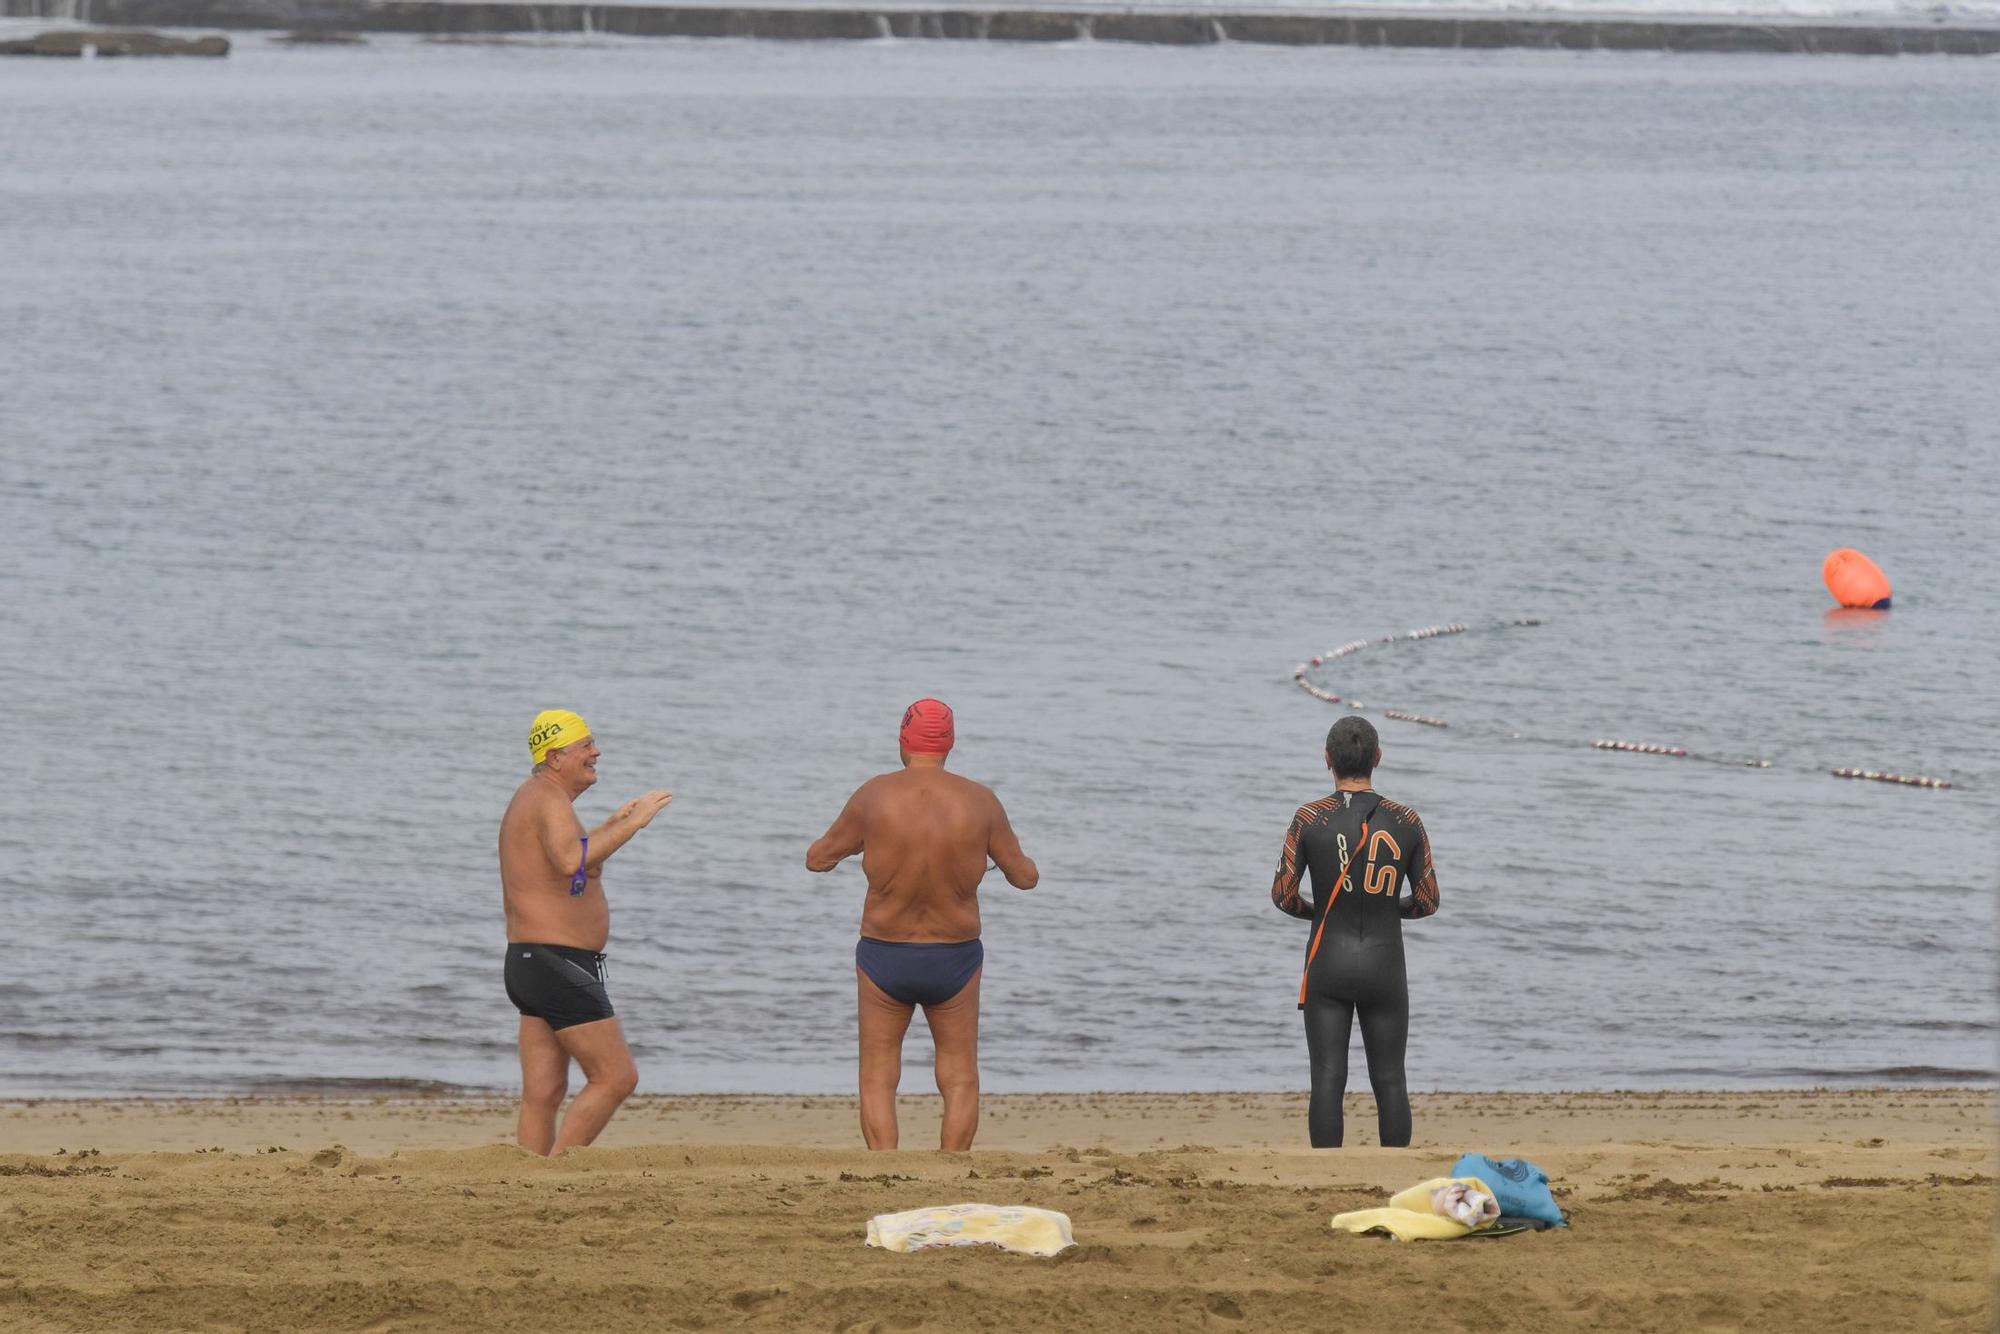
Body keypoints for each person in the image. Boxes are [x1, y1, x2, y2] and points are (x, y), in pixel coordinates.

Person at [806, 698, 1038, 1151]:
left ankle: (885, 1171)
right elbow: (1025, 878)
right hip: (955, 957)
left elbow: (817, 859)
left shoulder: (874, 795)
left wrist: (866, 839)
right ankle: (952, 1170)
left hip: (884, 955)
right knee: (959, 1072)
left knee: (877, 1074)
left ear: (902, 740)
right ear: (949, 743)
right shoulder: (981, 801)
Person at [498, 709, 672, 1155]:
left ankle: (528, 1181)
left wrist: (613, 824)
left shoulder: (536, 798)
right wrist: (634, 824)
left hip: (532, 962)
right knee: (616, 1077)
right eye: (586, 745)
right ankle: (559, 1172)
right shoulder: (546, 799)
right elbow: (572, 862)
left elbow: (573, 871)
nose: (597, 752)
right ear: (555, 758)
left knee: (544, 1092)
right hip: (556, 964)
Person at [1270, 715, 1439, 1149]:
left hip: (1328, 961)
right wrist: (1385, 908)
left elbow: (1284, 896)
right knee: (1390, 1077)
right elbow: (1427, 900)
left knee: (1327, 1077)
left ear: (1327, 759)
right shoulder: (1408, 820)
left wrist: (1325, 909)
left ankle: (1328, 1176)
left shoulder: (1308, 818)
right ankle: (1396, 1178)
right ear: (1377, 758)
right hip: (1386, 962)